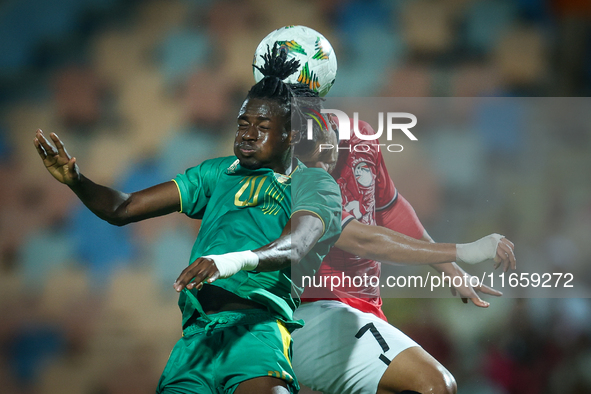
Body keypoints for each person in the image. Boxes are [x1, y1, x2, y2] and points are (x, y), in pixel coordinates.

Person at [33, 46, 342, 394]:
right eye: (243, 123)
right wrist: (77, 180)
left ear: (292, 135)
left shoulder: (313, 183)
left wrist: (229, 262)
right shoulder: (216, 172)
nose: (247, 134)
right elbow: (122, 208)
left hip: (256, 329)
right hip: (194, 343)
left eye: (262, 126)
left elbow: (297, 245)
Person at [288, 83, 515, 393]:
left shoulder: (360, 137)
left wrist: (451, 270)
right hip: (306, 311)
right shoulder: (284, 172)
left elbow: (389, 206)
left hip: (355, 310)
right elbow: (360, 239)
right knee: (434, 385)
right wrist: (463, 250)